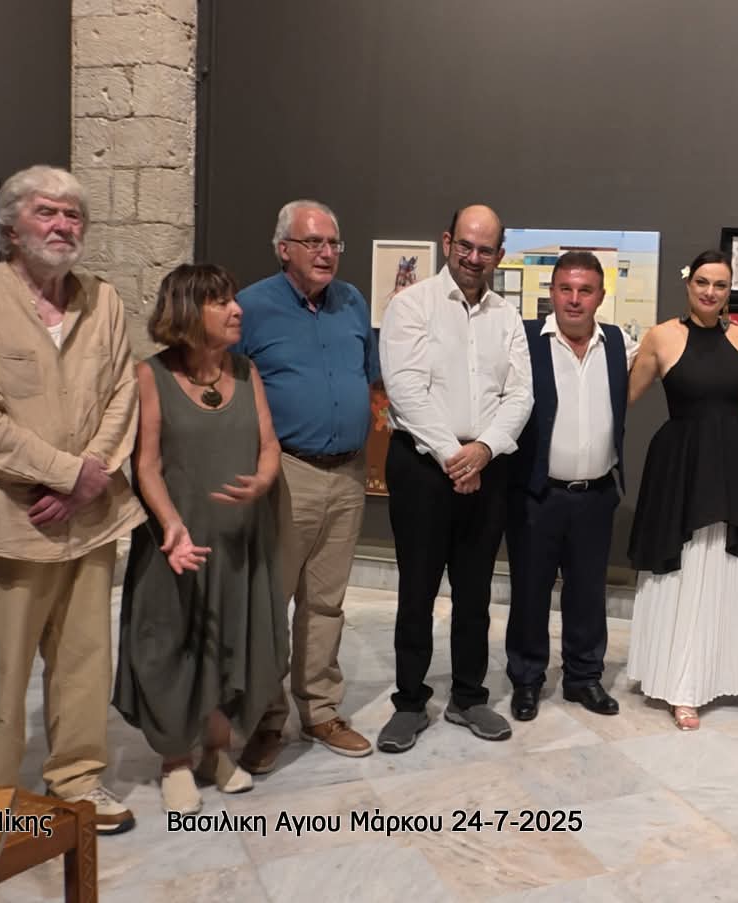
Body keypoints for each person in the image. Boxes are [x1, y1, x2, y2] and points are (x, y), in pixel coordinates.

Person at [0, 164, 144, 833]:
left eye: (73, 215)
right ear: (11, 228)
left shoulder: (103, 300)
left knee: (84, 663)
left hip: (90, 519)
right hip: (7, 522)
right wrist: (64, 473)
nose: (62, 226)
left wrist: (90, 478)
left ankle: (77, 780)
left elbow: (123, 395)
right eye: (47, 212)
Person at [113, 264, 286, 815]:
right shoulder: (151, 376)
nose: (237, 310)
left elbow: (269, 445)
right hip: (179, 542)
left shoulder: (247, 371)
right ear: (189, 312)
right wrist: (170, 525)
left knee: (229, 643)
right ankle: (174, 762)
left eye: (233, 299)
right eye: (221, 302)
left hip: (237, 542)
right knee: (174, 645)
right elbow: (145, 465)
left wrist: (263, 479)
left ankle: (216, 751)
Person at [377, 204, 532, 752]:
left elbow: (520, 394)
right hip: (422, 467)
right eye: (465, 245)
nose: (473, 257)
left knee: (475, 592)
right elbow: (405, 390)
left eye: (485, 249)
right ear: (447, 242)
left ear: (499, 255)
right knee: (416, 591)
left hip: (487, 467)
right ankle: (409, 702)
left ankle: (468, 696)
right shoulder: (410, 305)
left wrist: (483, 450)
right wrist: (453, 455)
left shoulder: (507, 317)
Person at [233, 200, 379, 771]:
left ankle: (320, 710)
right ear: (283, 249)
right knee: (271, 602)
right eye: (313, 242)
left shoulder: (352, 302)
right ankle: (266, 719)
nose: (326, 253)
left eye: (333, 243)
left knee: (326, 602)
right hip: (285, 472)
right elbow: (223, 390)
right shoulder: (251, 307)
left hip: (347, 474)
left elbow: (368, 376)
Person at [626, 249, 738, 730]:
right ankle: (679, 682)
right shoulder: (661, 335)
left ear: (729, 291)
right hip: (679, 464)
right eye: (702, 282)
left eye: (720, 285)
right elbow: (624, 396)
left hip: (731, 461)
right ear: (688, 285)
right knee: (682, 568)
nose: (710, 291)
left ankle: (715, 674)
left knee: (721, 566)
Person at [504, 251, 634, 721]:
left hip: (596, 495)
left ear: (601, 295)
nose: (574, 299)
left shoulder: (619, 343)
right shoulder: (525, 341)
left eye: (585, 290)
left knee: (588, 592)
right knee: (530, 591)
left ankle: (583, 678)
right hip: (537, 494)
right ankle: (526, 679)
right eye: (565, 289)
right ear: (552, 292)